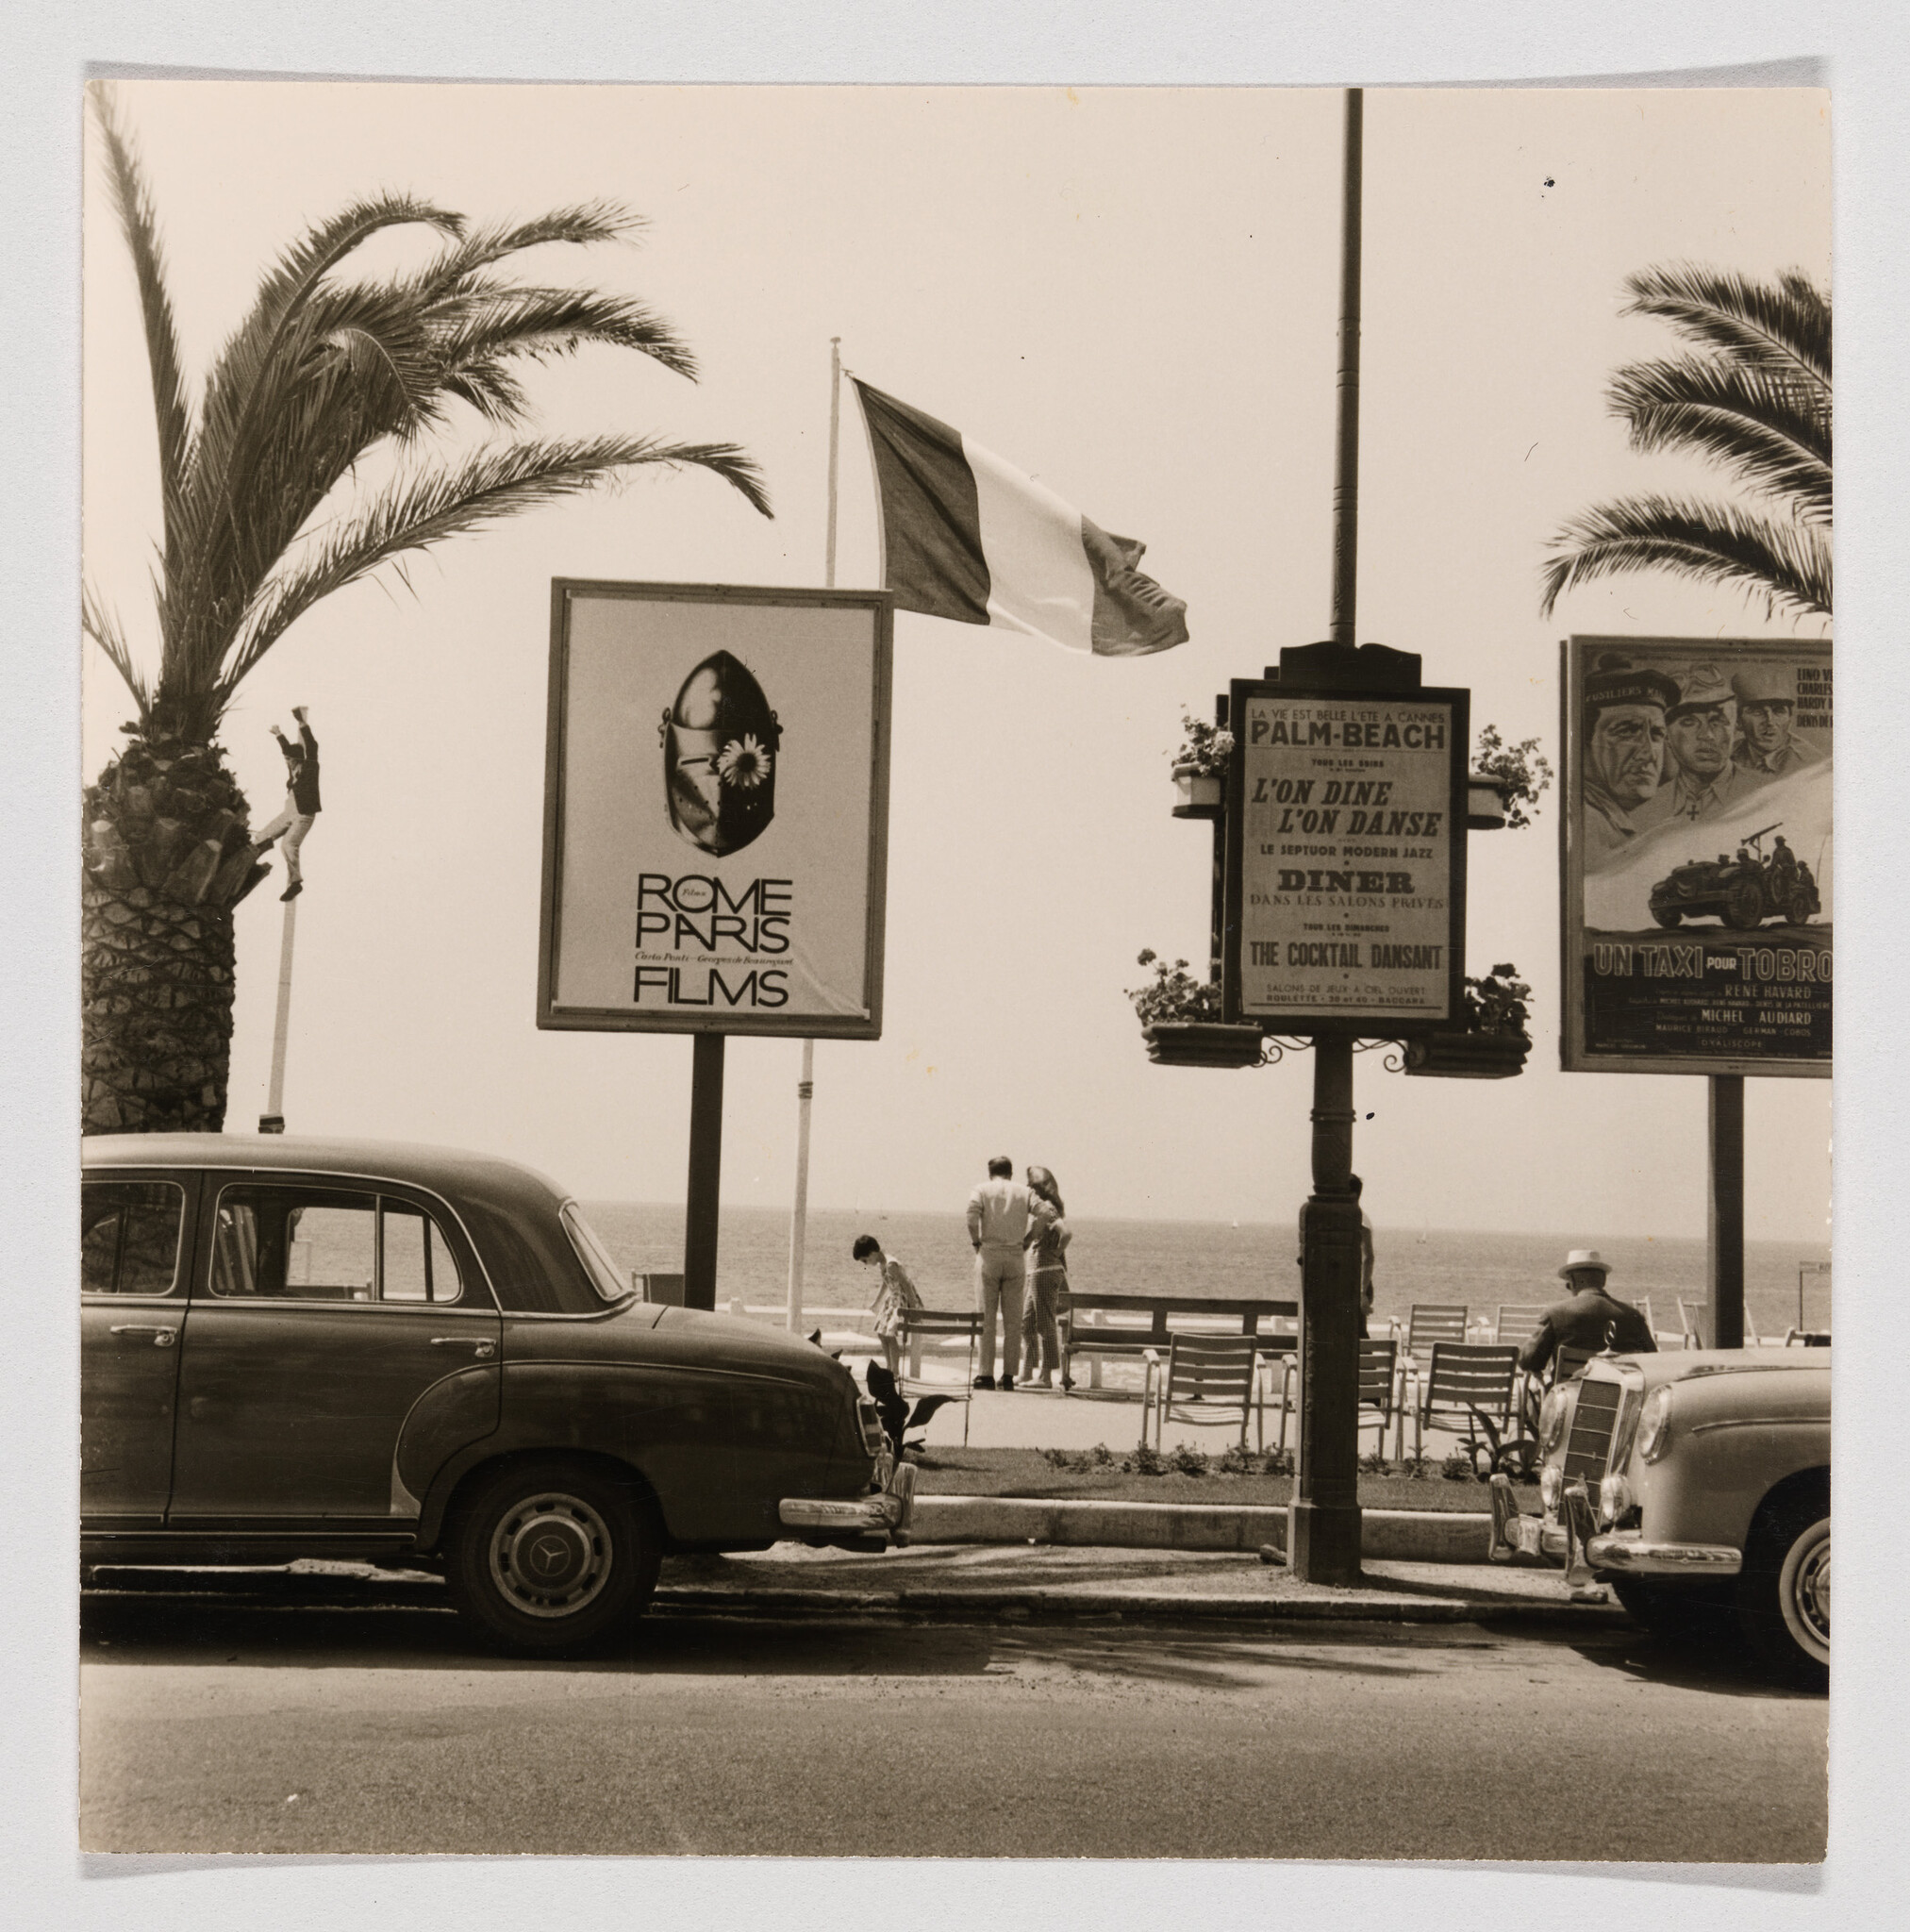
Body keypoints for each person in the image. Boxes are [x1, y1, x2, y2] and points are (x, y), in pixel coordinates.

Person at [1580, 657, 1677, 868]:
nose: (1649, 753)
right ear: (1585, 741)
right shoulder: (1588, 821)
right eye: (1627, 731)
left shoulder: (1609, 819)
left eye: (1657, 734)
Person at [1517, 1249, 1657, 1380]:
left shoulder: (1555, 1313)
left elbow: (1528, 1362)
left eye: (1568, 1284)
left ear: (1573, 1282)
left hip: (1569, 1400)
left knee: (1532, 1393)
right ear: (1603, 1280)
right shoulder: (1633, 1315)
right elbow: (1653, 1360)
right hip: (1617, 1399)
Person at [1633, 665, 1744, 827]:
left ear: (1735, 727)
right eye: (1688, 722)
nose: (1707, 735)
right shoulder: (1647, 814)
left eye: (1717, 721)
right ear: (1666, 735)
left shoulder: (1766, 793)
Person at [966, 1156, 1032, 1390]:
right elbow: (1043, 1215)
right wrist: (1028, 1240)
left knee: (987, 1318)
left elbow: (971, 1217)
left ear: (990, 1173)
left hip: (989, 1256)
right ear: (1011, 1173)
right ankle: (1008, 1376)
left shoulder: (982, 1189)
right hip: (1015, 1257)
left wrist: (976, 1242)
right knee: (1013, 1321)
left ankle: (986, 1375)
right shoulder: (1024, 1192)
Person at [252, 705, 322, 901]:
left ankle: (295, 882)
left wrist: (301, 723)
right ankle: (246, 863)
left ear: (298, 759)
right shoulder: (292, 770)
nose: (288, 762)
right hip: (288, 812)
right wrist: (279, 734)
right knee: (262, 836)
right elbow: (286, 751)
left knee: (288, 845)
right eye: (287, 759)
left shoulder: (309, 769)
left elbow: (312, 746)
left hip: (303, 815)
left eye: (291, 759)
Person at [1295, 1174, 1375, 1338]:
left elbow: (1369, 1257)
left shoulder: (1360, 1220)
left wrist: (1362, 1292)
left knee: (1355, 1334)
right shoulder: (1352, 1217)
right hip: (1347, 1284)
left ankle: (1367, 1363)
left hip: (1357, 1284)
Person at [1020, 1166, 1072, 1390]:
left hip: (1045, 1271)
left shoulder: (1049, 1209)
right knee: (1027, 1322)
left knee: (1045, 1323)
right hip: (1037, 1272)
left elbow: (1066, 1233)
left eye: (1030, 1186)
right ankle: (1028, 1371)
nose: (1027, 1190)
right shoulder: (1046, 1209)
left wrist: (1055, 1253)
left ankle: (1045, 1376)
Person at [1731, 664, 1822, 779]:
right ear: (1738, 720)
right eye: (1757, 712)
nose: (1770, 721)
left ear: (1790, 718)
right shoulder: (1727, 756)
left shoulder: (1811, 763)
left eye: (1778, 711)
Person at [853, 1233, 922, 1378]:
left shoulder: (891, 1265)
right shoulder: (882, 1264)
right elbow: (886, 1282)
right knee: (881, 1332)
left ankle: (894, 1371)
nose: (866, 1264)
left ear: (872, 1253)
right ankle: (889, 1367)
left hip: (902, 1300)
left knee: (890, 1335)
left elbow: (907, 1285)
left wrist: (913, 1309)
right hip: (893, 1299)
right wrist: (877, 1301)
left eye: (865, 1260)